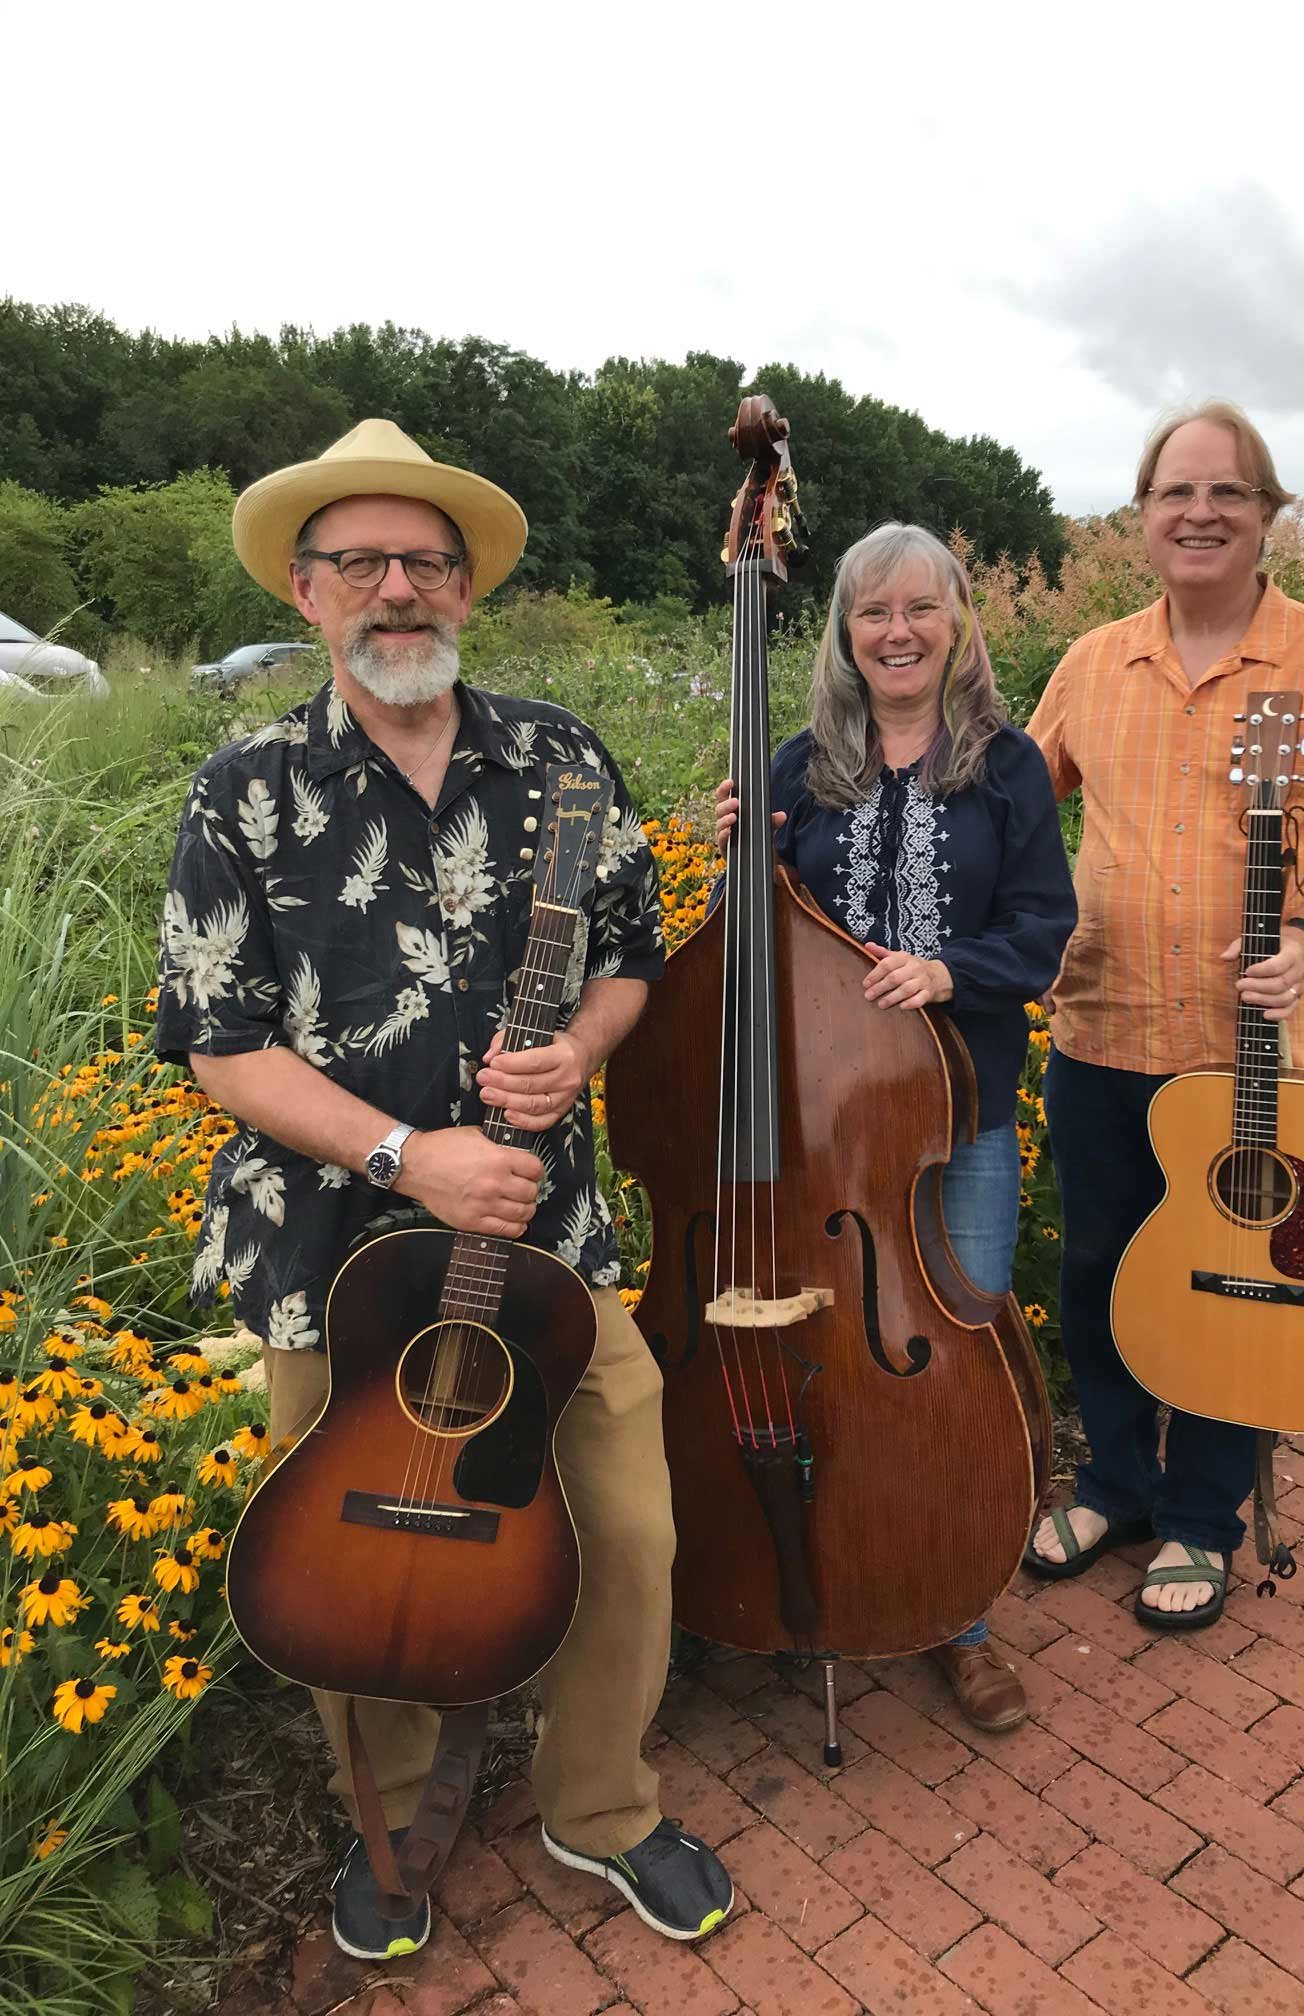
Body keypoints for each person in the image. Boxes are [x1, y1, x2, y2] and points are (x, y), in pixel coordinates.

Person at [156, 419, 733, 1961]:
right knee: (350, 1570)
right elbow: (218, 1045)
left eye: (425, 561)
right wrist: (410, 1156)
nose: (395, 588)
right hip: (331, 1255)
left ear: (467, 589)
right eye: (361, 561)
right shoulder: (245, 792)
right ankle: (387, 1816)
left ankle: (598, 1806)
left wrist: (581, 1056)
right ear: (306, 589)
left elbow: (628, 955)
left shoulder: (561, 758)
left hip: (547, 1250)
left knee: (628, 1531)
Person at [1024, 399, 1304, 1628]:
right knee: (1097, 1269)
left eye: (1227, 493)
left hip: (1248, 1058)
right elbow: (1009, 801)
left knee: (1229, 1276)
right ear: (1141, 516)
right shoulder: (1095, 661)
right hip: (1101, 1029)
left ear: (1265, 517)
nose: (1198, 513)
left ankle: (1201, 1517)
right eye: (1173, 493)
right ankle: (1112, 1484)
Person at [717, 522, 1077, 1729]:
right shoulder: (792, 766)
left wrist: (948, 970)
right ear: (843, 632)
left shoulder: (1009, 766)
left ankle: (959, 1616)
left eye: (922, 608)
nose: (899, 632)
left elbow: (1042, 931)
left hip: (954, 1119)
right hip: (820, 1138)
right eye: (874, 612)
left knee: (949, 1372)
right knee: (827, 1372)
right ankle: (810, 1570)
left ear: (958, 622)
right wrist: (738, 863)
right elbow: (751, 938)